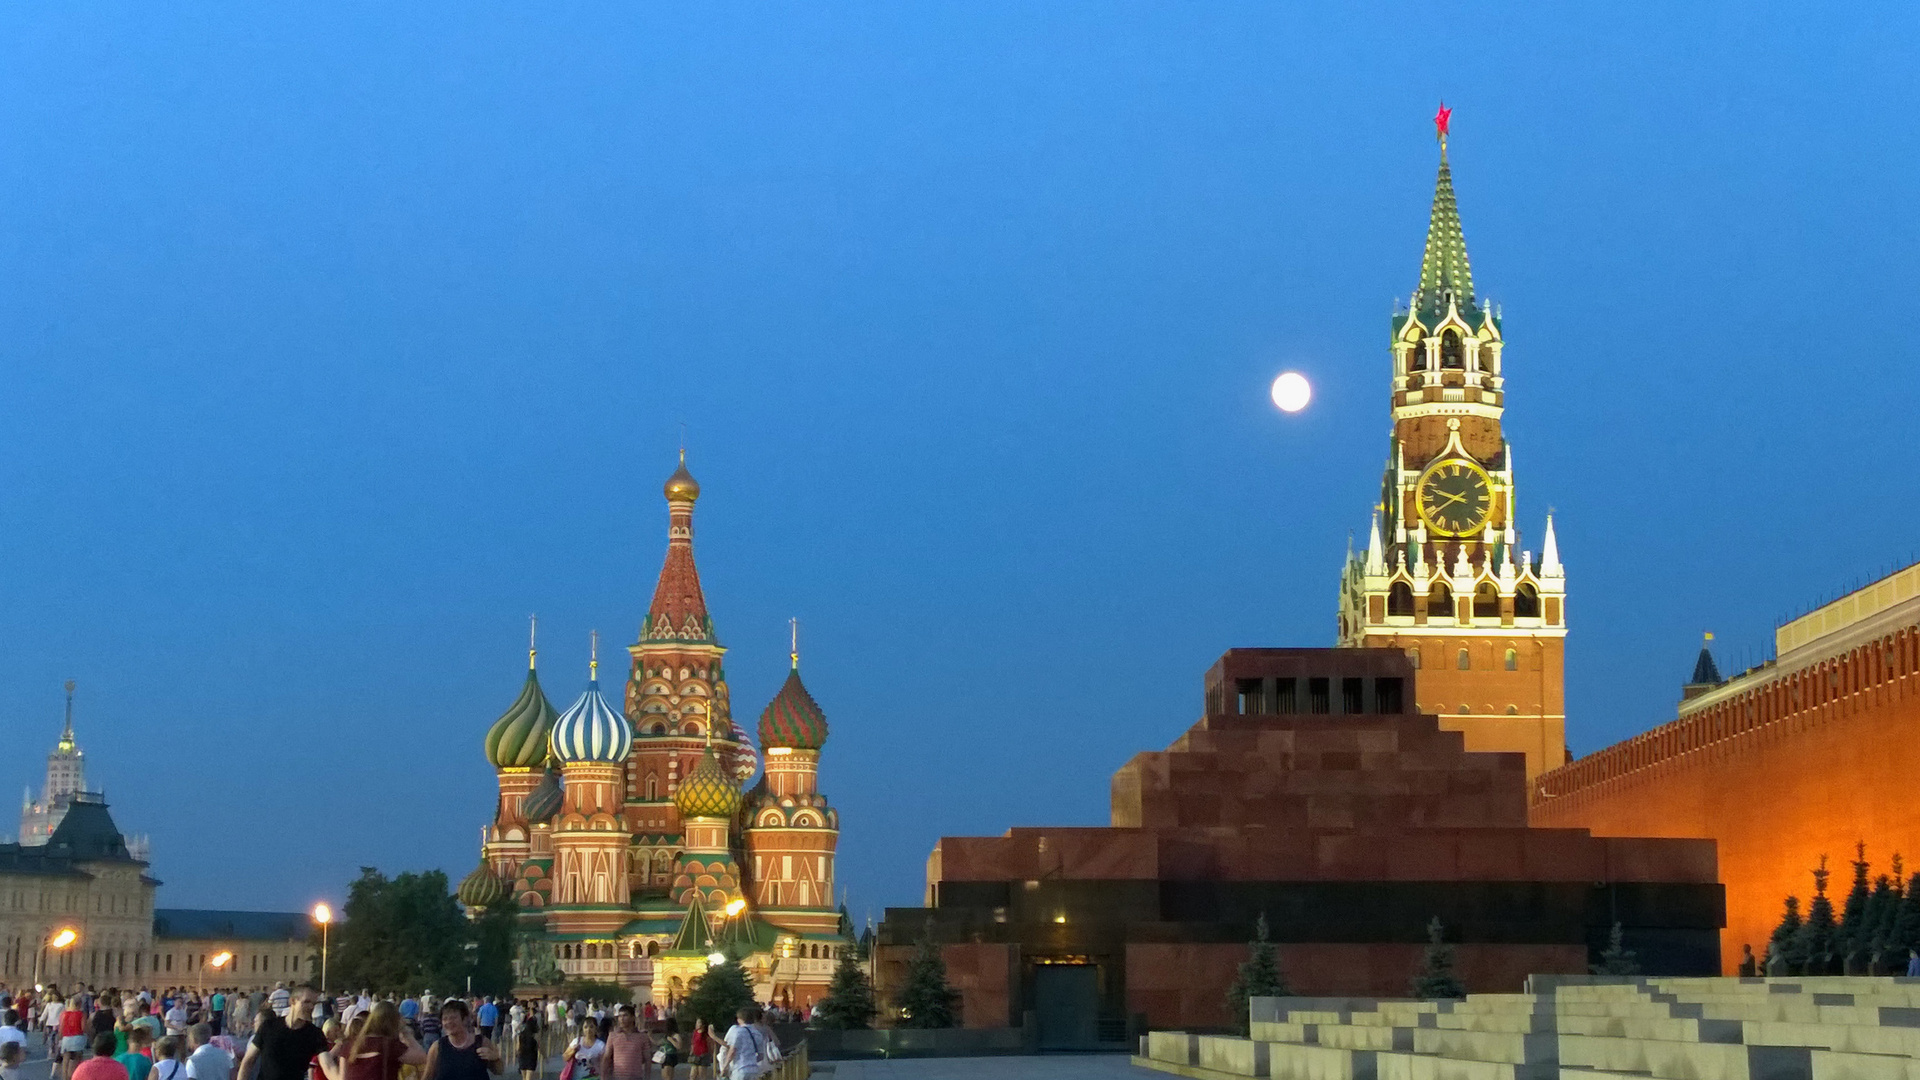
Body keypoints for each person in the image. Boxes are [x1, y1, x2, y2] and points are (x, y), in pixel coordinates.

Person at [317, 1002, 423, 1080]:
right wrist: (406, 1033)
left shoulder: (350, 1045)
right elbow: (421, 1057)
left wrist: (325, 1060)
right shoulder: (390, 1045)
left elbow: (342, 1078)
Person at [238, 990, 328, 1080]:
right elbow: (248, 1061)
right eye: (306, 1002)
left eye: (314, 1003)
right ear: (292, 1001)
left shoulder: (314, 1034)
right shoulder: (269, 1027)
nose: (311, 1007)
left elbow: (329, 1066)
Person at [420, 1001, 499, 1080]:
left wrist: (495, 1058)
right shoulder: (437, 1047)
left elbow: (499, 1071)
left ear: (464, 1019)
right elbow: (427, 1076)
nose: (448, 1022)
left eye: (453, 1018)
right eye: (445, 1019)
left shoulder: (482, 1042)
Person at [713, 1011, 768, 1080]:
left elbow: (732, 1051)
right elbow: (761, 1056)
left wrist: (725, 1067)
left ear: (739, 1019)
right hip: (754, 1069)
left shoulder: (737, 1031)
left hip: (740, 1069)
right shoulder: (757, 1034)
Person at [597, 1007, 647, 1080]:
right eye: (620, 1016)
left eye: (625, 1015)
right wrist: (603, 1077)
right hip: (618, 1077)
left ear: (633, 1018)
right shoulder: (612, 1036)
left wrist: (648, 1076)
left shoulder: (642, 1037)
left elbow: (647, 1059)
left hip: (636, 1077)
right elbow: (606, 1057)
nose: (621, 1019)